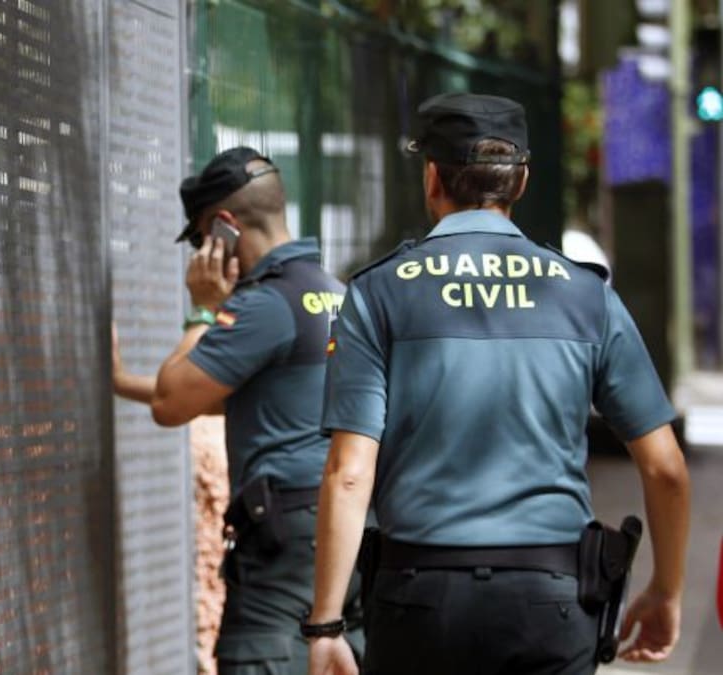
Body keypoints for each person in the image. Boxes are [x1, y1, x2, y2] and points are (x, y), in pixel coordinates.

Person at [304, 92, 691, 675]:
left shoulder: (379, 293)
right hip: (550, 602)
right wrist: (666, 590)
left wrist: (328, 623)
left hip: (417, 602)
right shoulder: (585, 295)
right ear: (523, 181)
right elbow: (665, 469)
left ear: (432, 177)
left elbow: (350, 470)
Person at [112, 146, 362, 674]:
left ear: (224, 226)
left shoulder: (262, 305)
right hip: (350, 530)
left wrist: (204, 307)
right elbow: (234, 397)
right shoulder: (337, 294)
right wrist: (120, 382)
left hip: (285, 542)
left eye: (203, 239)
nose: (202, 253)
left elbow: (171, 403)